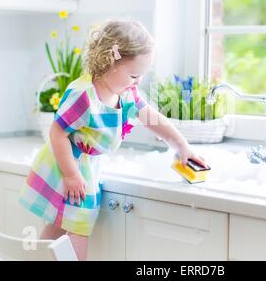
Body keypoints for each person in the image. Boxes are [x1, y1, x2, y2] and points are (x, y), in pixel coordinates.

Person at [19, 19, 208, 260]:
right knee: (78, 227)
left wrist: (182, 146)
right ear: (110, 62)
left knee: (60, 224)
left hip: (86, 166)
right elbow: (57, 133)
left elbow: (152, 118)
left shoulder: (126, 92)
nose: (138, 81)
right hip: (68, 164)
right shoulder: (83, 95)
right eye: (134, 75)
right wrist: (71, 175)